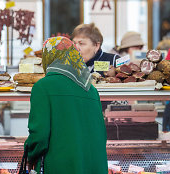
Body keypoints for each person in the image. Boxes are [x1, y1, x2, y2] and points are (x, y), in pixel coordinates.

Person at [24, 37, 108, 173]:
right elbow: (101, 134)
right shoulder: (91, 89)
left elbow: (39, 135)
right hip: (94, 166)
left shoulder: (43, 86)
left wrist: (30, 154)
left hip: (60, 166)